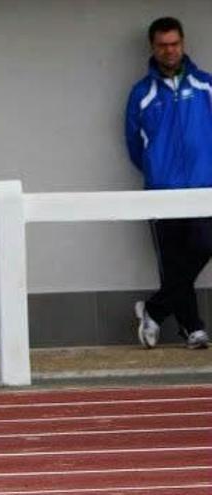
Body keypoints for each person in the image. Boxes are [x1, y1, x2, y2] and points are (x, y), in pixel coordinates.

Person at [126, 17, 211, 351]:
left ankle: (154, 309)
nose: (169, 50)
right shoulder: (142, 94)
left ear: (183, 43)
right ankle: (193, 329)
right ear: (153, 47)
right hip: (163, 192)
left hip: (204, 188)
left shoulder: (205, 85)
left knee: (205, 246)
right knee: (174, 261)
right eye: (163, 44)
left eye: (174, 43)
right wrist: (156, 171)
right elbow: (134, 144)